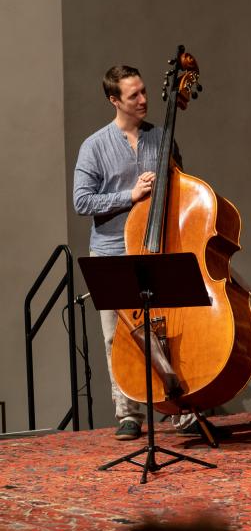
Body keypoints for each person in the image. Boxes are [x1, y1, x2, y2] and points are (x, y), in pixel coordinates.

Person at [73, 65, 207, 440]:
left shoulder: (162, 138)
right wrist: (129, 195)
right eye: (133, 95)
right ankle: (128, 413)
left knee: (170, 334)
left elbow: (180, 189)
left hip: (158, 249)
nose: (144, 100)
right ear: (114, 100)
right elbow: (82, 201)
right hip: (113, 252)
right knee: (118, 337)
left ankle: (179, 407)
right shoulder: (95, 146)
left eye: (145, 91)